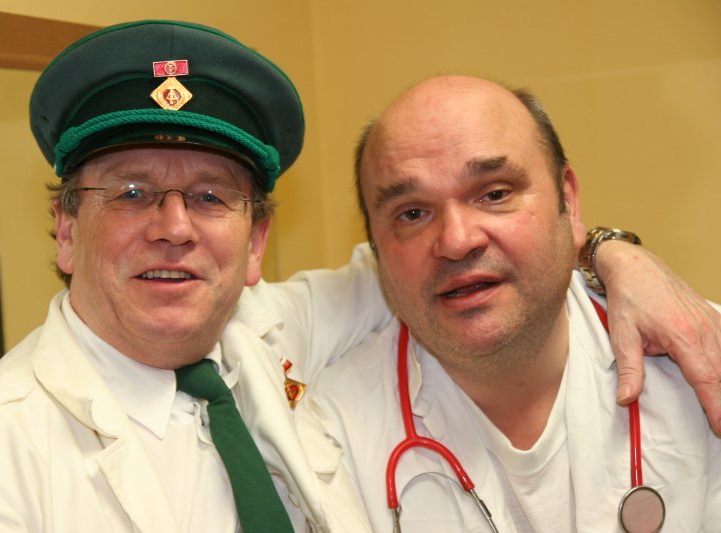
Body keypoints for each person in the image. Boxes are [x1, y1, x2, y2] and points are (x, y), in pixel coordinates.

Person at [0, 20, 717, 533]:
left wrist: (607, 251)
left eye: (211, 196)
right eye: (130, 192)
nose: (175, 227)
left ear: (257, 239)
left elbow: (445, 259)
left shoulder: (271, 333)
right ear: (66, 226)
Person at [295, 75, 721, 532]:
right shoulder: (326, 440)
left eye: (495, 194)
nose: (457, 241)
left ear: (568, 201)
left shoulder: (702, 359)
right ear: (375, 247)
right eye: (413, 213)